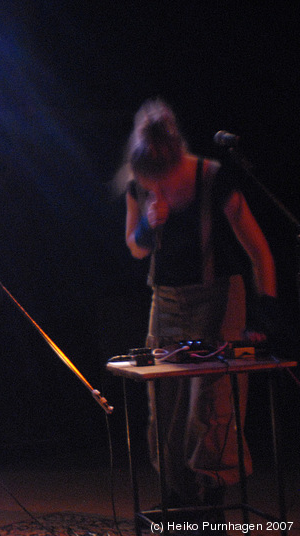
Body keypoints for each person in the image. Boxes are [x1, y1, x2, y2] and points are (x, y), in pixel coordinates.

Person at [119, 99, 278, 523]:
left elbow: (259, 251)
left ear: (177, 164)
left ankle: (211, 509)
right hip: (167, 302)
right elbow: (135, 250)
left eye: (165, 183)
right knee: (164, 407)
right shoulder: (139, 183)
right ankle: (181, 504)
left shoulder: (212, 178)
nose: (160, 191)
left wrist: (265, 312)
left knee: (210, 409)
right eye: (152, 185)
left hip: (218, 299)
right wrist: (148, 225)